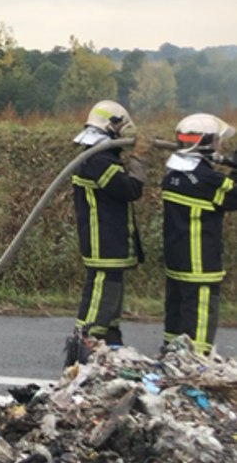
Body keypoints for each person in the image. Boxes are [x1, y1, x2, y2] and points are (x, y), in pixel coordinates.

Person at [66, 101, 144, 363]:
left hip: (107, 242)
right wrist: (137, 159)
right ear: (113, 127)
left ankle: (110, 348)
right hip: (106, 243)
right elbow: (130, 189)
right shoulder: (99, 160)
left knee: (108, 308)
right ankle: (83, 353)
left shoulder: (93, 155)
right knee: (100, 304)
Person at [161, 113, 237, 356]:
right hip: (200, 265)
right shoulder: (207, 179)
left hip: (176, 263)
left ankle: (171, 359)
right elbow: (233, 197)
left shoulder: (171, 175)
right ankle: (195, 365)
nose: (219, 146)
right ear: (206, 143)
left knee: (176, 316)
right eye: (216, 141)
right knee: (200, 321)